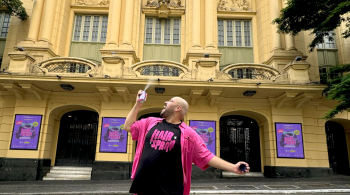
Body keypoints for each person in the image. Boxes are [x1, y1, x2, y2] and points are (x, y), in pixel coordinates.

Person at [124, 90, 250, 195]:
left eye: (170, 100)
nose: (165, 102)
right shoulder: (150, 122)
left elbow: (206, 156)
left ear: (178, 108)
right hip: (145, 185)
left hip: (171, 189)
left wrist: (233, 168)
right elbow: (128, 127)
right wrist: (137, 104)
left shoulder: (189, 134)